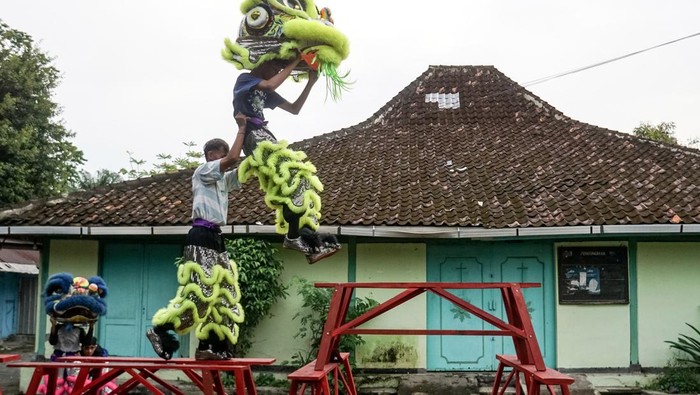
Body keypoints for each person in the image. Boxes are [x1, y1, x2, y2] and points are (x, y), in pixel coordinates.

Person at [146, 114, 249, 361]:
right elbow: (234, 159)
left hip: (216, 238)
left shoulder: (223, 180)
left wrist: (259, 144)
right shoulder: (203, 171)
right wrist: (242, 129)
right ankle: (160, 330)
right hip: (201, 234)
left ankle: (211, 344)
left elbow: (244, 167)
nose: (223, 157)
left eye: (224, 153)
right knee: (199, 291)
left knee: (224, 292)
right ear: (210, 155)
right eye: (218, 153)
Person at [233, 54, 341, 264]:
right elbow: (271, 85)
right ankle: (293, 237)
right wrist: (294, 62)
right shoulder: (245, 79)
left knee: (298, 183)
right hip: (253, 137)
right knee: (295, 177)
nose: (276, 72)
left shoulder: (266, 90)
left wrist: (310, 83)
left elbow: (294, 109)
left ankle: (303, 237)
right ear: (263, 62)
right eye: (275, 67)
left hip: (265, 134)